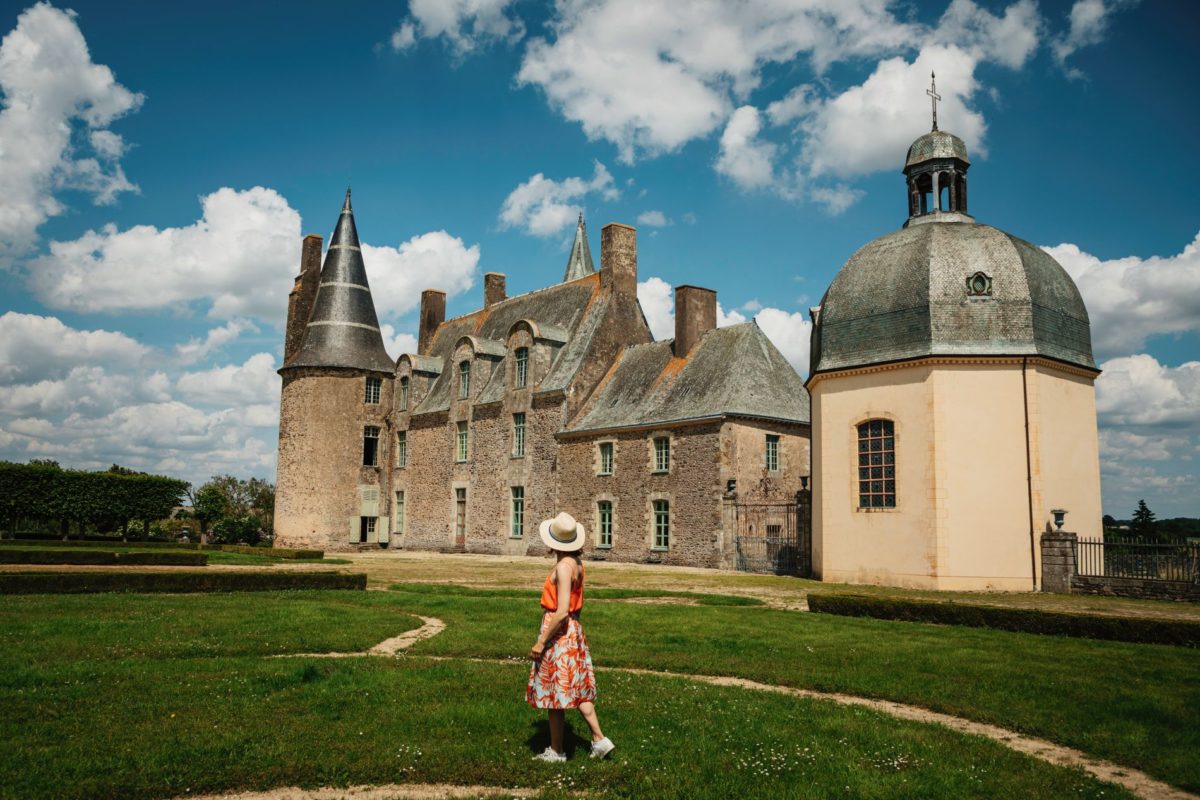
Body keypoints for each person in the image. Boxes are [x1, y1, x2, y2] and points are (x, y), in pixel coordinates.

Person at [527, 511, 614, 763]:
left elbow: (562, 610)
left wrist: (542, 640)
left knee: (556, 694)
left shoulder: (564, 567)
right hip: (573, 631)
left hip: (560, 634)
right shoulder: (577, 564)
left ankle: (556, 751)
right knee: (578, 689)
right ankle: (599, 739)